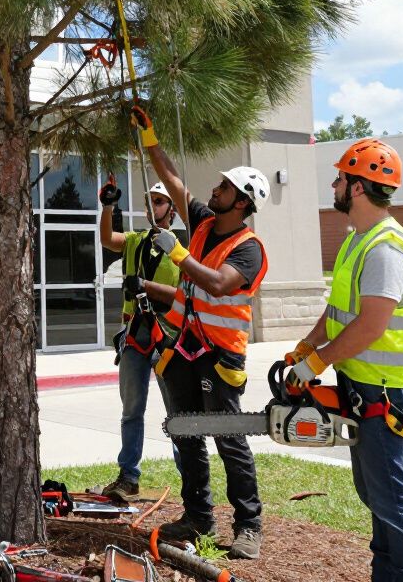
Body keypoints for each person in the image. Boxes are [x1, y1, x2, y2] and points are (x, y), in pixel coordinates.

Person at [287, 138, 403, 582]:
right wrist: (307, 347)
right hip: (362, 386)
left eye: (338, 177)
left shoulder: (385, 247)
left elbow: (371, 326)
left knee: (393, 499)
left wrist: (316, 364)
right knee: (375, 495)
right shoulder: (359, 240)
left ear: (356, 187)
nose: (332, 184)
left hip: (386, 392)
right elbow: (337, 313)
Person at [131, 106, 270, 561]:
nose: (218, 186)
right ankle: (197, 516)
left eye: (227, 186)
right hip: (182, 349)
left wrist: (176, 254)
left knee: (229, 440)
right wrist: (150, 139)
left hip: (219, 357)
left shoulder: (249, 250)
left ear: (244, 202)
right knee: (186, 434)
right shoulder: (204, 222)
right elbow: (174, 181)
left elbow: (217, 282)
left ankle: (248, 526)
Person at [97, 175, 182, 501]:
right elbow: (107, 239)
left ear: (171, 210)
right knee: (131, 411)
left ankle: (189, 477)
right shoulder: (134, 240)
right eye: (149, 201)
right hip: (135, 336)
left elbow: (186, 296)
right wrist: (108, 206)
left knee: (176, 414)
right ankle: (128, 476)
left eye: (158, 201)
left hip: (167, 338)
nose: (152, 206)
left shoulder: (181, 250)